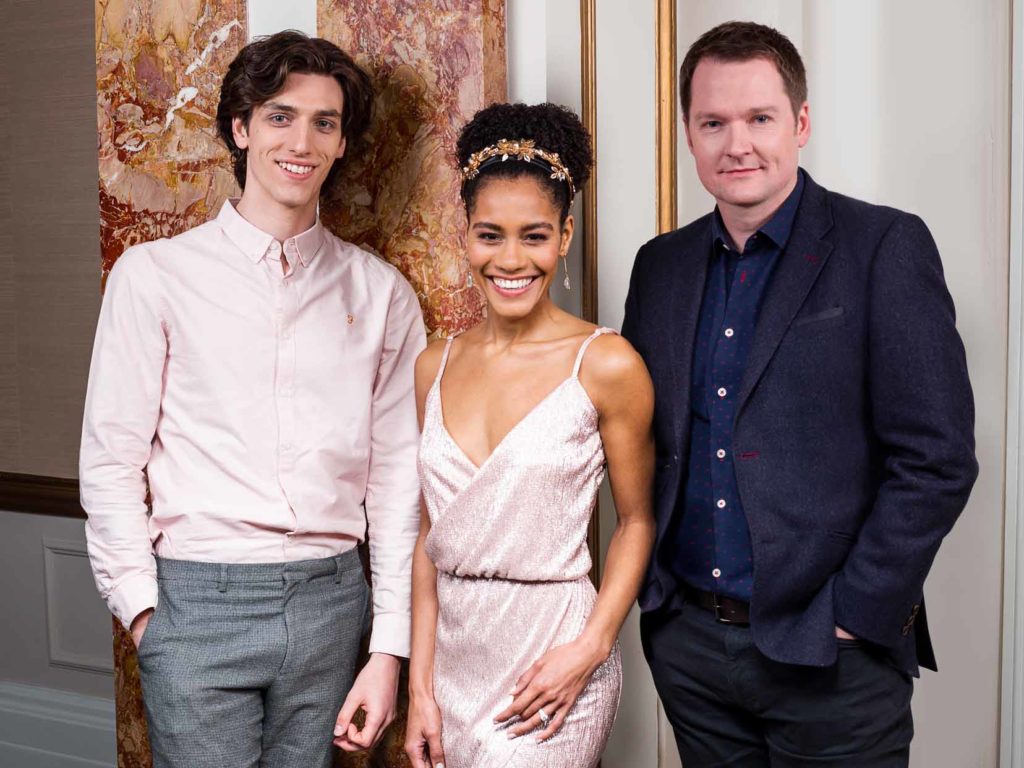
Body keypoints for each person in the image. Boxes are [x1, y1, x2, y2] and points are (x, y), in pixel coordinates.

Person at [623, 20, 978, 767]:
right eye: (713, 122)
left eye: (760, 118)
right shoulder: (660, 267)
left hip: (831, 660)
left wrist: (856, 612)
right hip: (691, 649)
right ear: (688, 133)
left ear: (802, 122)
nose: (736, 144)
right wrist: (657, 606)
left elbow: (938, 457)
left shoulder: (884, 246)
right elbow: (649, 445)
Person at [80, 31, 425, 767]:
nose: (301, 140)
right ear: (240, 128)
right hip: (196, 602)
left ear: (340, 145)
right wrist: (145, 614)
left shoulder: (382, 294)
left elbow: (398, 482)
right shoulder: (153, 277)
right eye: (279, 115)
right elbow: (111, 459)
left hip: (334, 602)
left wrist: (388, 648)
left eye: (324, 122)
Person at [403, 102, 656, 768]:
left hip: (553, 659)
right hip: (453, 667)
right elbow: (430, 539)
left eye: (534, 236)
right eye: (490, 235)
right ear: (465, 236)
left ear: (565, 236)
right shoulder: (434, 365)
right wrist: (418, 687)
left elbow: (635, 523)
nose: (510, 259)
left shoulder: (606, 364)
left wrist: (592, 647)